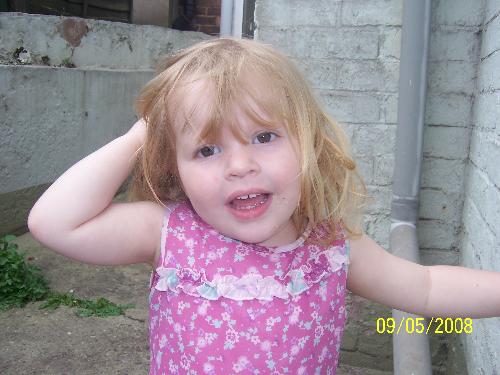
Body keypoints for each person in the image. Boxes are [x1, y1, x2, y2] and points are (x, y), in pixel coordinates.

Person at [28, 37, 500, 374]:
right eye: (207, 150)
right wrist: (144, 133)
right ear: (175, 168)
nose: (239, 165)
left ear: (310, 142)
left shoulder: (329, 246)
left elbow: (428, 287)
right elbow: (54, 223)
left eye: (265, 136)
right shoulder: (169, 234)